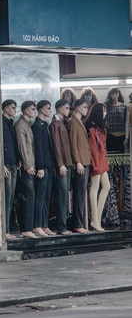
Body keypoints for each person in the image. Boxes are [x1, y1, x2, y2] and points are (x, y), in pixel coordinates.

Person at [84, 103, 110, 232]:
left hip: (102, 160)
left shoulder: (99, 128)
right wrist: (95, 164)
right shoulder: (92, 129)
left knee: (106, 187)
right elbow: (93, 149)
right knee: (95, 187)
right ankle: (95, 219)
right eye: (103, 111)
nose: (105, 113)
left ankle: (96, 219)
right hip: (97, 161)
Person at [31, 100, 56, 236]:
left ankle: (44, 224)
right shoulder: (37, 125)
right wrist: (40, 166)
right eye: (47, 108)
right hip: (43, 165)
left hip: (49, 165)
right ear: (41, 109)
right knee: (40, 196)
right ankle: (37, 224)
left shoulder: (45, 125)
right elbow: (38, 148)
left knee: (46, 197)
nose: (49, 110)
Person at [50, 99, 74, 235]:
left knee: (64, 195)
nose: (68, 110)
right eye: (66, 108)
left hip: (66, 163)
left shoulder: (61, 123)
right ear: (59, 108)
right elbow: (56, 145)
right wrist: (60, 164)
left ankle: (63, 225)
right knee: (61, 195)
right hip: (63, 164)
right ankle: (61, 226)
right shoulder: (55, 124)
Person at [67, 98, 91, 234]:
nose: (86, 109)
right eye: (84, 107)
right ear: (77, 107)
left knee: (82, 193)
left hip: (85, 161)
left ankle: (79, 222)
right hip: (80, 162)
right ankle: (77, 223)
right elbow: (73, 144)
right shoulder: (73, 122)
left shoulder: (79, 122)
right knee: (79, 193)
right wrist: (78, 162)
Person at [14, 101, 38, 238]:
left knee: (30, 195)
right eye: (32, 109)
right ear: (25, 110)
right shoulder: (21, 125)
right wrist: (27, 165)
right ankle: (25, 228)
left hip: (30, 165)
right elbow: (23, 147)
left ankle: (28, 227)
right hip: (26, 167)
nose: (34, 111)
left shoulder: (27, 125)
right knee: (28, 196)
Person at [1, 99, 20, 240]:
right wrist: (1, 164)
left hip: (13, 163)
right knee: (7, 197)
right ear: (6, 108)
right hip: (6, 164)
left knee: (11, 196)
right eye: (13, 107)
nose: (14, 110)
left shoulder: (11, 124)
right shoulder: (1, 123)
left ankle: (7, 228)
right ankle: (5, 230)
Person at [105, 87, 127, 153]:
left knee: (122, 156)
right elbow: (104, 118)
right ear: (110, 95)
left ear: (119, 94)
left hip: (121, 135)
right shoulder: (107, 106)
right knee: (111, 155)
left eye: (116, 93)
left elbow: (126, 119)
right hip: (110, 135)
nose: (114, 96)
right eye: (112, 94)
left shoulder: (124, 106)